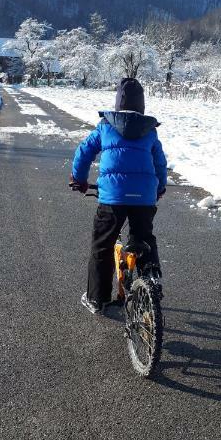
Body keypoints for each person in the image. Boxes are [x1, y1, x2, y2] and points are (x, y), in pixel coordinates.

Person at [70, 78, 167, 314]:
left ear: (117, 103)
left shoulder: (105, 126)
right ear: (141, 105)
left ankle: (97, 299)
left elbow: (84, 152)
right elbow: (160, 163)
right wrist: (159, 187)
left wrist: (79, 179)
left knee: (102, 246)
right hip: (144, 198)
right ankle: (151, 282)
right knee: (144, 239)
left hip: (112, 197)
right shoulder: (149, 130)